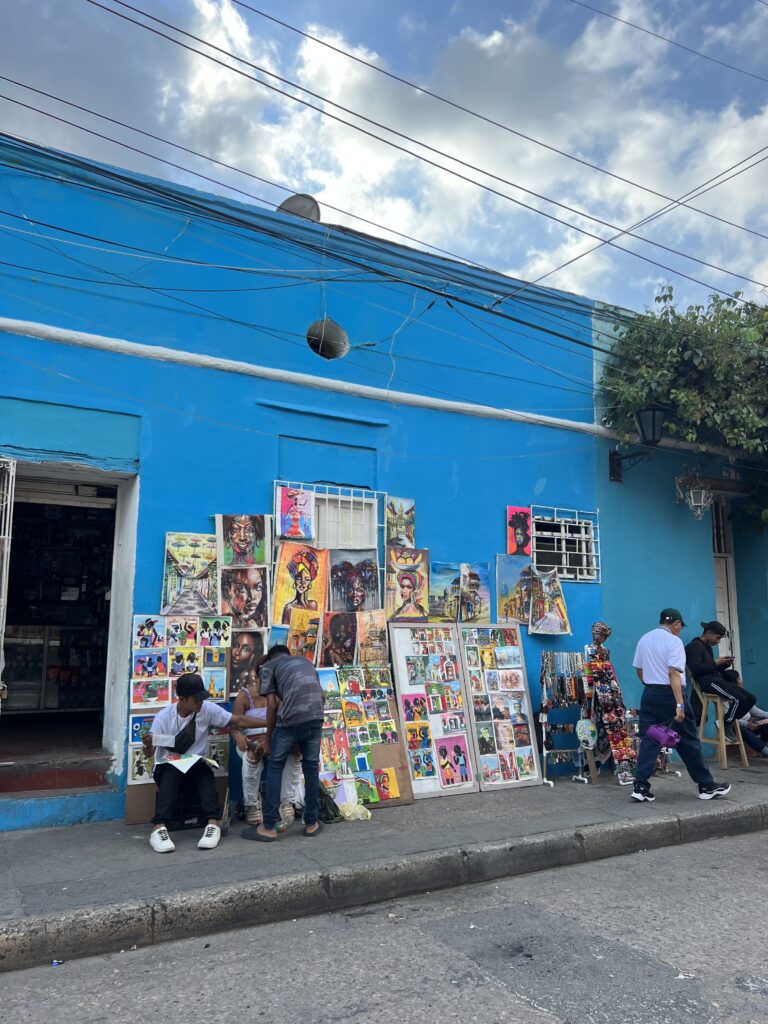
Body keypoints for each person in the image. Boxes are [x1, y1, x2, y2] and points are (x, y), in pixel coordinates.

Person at [144, 673, 257, 853]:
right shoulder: (163, 717)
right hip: (168, 769)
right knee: (171, 771)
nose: (201, 702)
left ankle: (213, 823)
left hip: (194, 765)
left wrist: (270, 722)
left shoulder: (206, 709)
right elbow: (149, 753)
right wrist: (148, 745)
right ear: (182, 699)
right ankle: (158, 827)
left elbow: (238, 720)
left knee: (203, 770)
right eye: (196, 699)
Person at [631, 609, 731, 803]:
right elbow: (674, 674)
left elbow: (640, 671)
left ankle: (640, 786)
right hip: (671, 694)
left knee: (650, 740)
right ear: (676, 623)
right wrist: (679, 704)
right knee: (689, 741)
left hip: (650, 694)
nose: (680, 630)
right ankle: (706, 786)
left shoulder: (645, 638)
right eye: (681, 626)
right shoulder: (673, 642)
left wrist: (651, 686)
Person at [242, 645, 325, 842]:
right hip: (316, 716)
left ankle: (268, 825)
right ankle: (312, 823)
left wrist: (268, 739)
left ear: (270, 658)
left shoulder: (270, 666)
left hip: (290, 720)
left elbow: (271, 705)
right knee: (311, 767)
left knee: (275, 766)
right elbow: (322, 695)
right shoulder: (305, 662)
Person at [230, 673, 303, 827]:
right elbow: (234, 727)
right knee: (252, 755)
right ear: (256, 679)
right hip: (250, 742)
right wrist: (237, 735)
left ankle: (287, 801)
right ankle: (252, 804)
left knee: (295, 753)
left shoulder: (278, 696)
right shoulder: (244, 697)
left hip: (275, 740)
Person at [685, 620, 756, 741]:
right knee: (738, 699)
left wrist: (724, 664)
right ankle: (726, 724)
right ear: (708, 633)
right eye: (717, 638)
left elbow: (711, 669)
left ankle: (726, 722)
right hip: (708, 683)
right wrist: (715, 662)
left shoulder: (707, 647)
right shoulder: (695, 646)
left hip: (716, 679)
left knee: (750, 699)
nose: (718, 641)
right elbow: (697, 669)